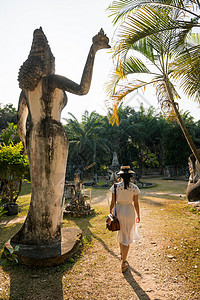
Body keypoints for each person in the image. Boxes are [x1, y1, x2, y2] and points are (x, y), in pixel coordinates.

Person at [110, 166, 140, 273]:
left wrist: (110, 213)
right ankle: (123, 262)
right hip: (129, 211)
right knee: (126, 235)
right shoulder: (134, 187)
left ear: (120, 176)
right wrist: (138, 215)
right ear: (131, 176)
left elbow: (112, 203)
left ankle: (122, 256)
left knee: (121, 234)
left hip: (119, 211)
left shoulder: (115, 187)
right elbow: (136, 204)